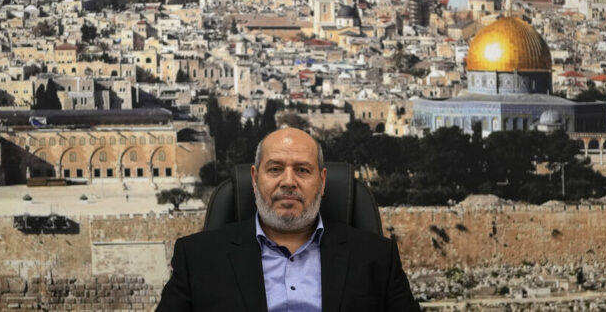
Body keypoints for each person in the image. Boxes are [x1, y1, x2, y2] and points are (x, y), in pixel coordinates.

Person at [156, 128, 420, 312]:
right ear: (254, 178)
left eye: (303, 170)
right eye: (275, 169)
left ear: (323, 181)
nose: (288, 182)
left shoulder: (376, 258)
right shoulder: (198, 258)